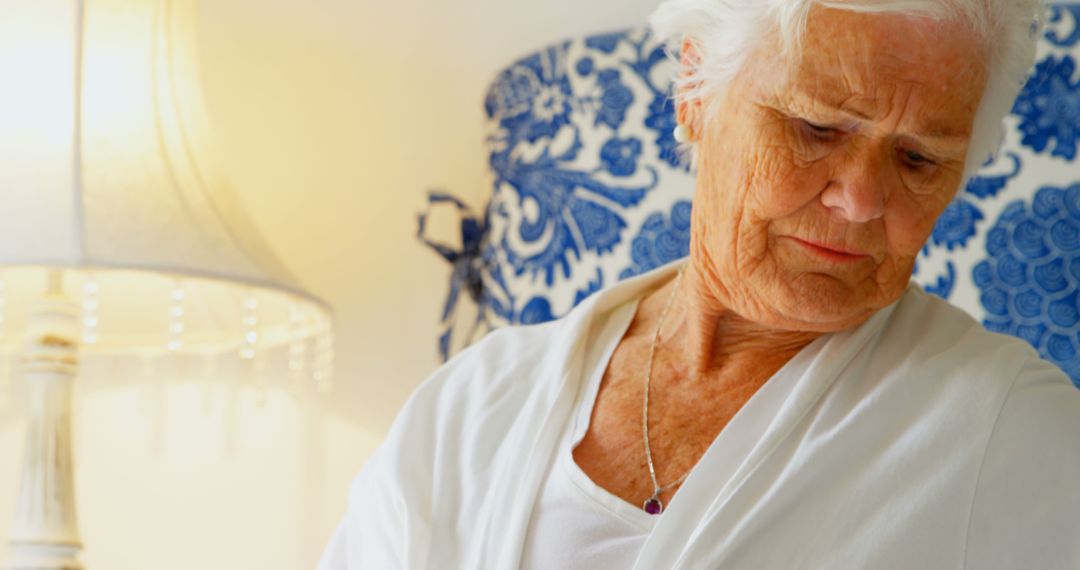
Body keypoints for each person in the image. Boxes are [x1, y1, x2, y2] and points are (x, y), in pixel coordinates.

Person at [319, 0, 1080, 568]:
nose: (861, 198)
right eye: (817, 128)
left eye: (919, 160)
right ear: (695, 90)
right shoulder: (469, 410)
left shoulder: (1009, 432)